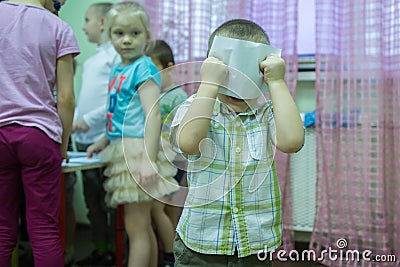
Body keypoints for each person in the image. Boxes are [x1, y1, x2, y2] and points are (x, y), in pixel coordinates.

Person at [171, 19, 305, 267]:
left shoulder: (266, 113)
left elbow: (292, 141)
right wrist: (209, 84)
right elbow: (189, 143)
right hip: (201, 243)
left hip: (255, 243)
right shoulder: (196, 106)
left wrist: (277, 82)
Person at [86, 2, 179, 267]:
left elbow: (153, 115)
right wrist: (103, 139)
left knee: (135, 227)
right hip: (124, 146)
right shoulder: (119, 70)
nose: (127, 40)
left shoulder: (143, 68)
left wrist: (148, 159)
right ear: (109, 34)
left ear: (147, 36)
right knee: (142, 225)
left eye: (135, 33)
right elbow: (119, 113)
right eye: (119, 33)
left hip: (138, 151)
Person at [0, 0, 79, 266]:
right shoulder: (59, 27)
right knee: (44, 231)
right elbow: (66, 98)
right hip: (39, 135)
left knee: (1, 229)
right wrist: (63, 144)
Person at [71, 3, 118, 266]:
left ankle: (115, 249)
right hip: (83, 141)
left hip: (105, 140)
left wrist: (87, 120)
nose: (83, 25)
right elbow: (87, 99)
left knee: (108, 202)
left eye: (87, 19)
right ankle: (101, 249)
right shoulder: (91, 61)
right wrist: (76, 115)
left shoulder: (115, 58)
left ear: (102, 23)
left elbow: (115, 100)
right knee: (92, 203)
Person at [145, 39, 188, 267]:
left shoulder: (177, 97)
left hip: (175, 162)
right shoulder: (149, 94)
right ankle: (170, 253)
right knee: (166, 209)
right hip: (160, 161)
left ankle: (170, 255)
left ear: (169, 67)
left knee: (157, 208)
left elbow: (181, 135)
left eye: (154, 70)